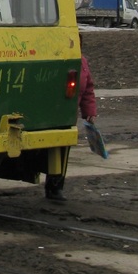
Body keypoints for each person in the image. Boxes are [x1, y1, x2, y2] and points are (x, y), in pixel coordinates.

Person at [45, 38, 98, 202]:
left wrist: (89, 112)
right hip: (55, 112)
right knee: (55, 148)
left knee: (63, 150)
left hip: (69, 114)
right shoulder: (57, 60)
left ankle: (56, 187)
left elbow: (88, 89)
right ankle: (53, 185)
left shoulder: (82, 62)